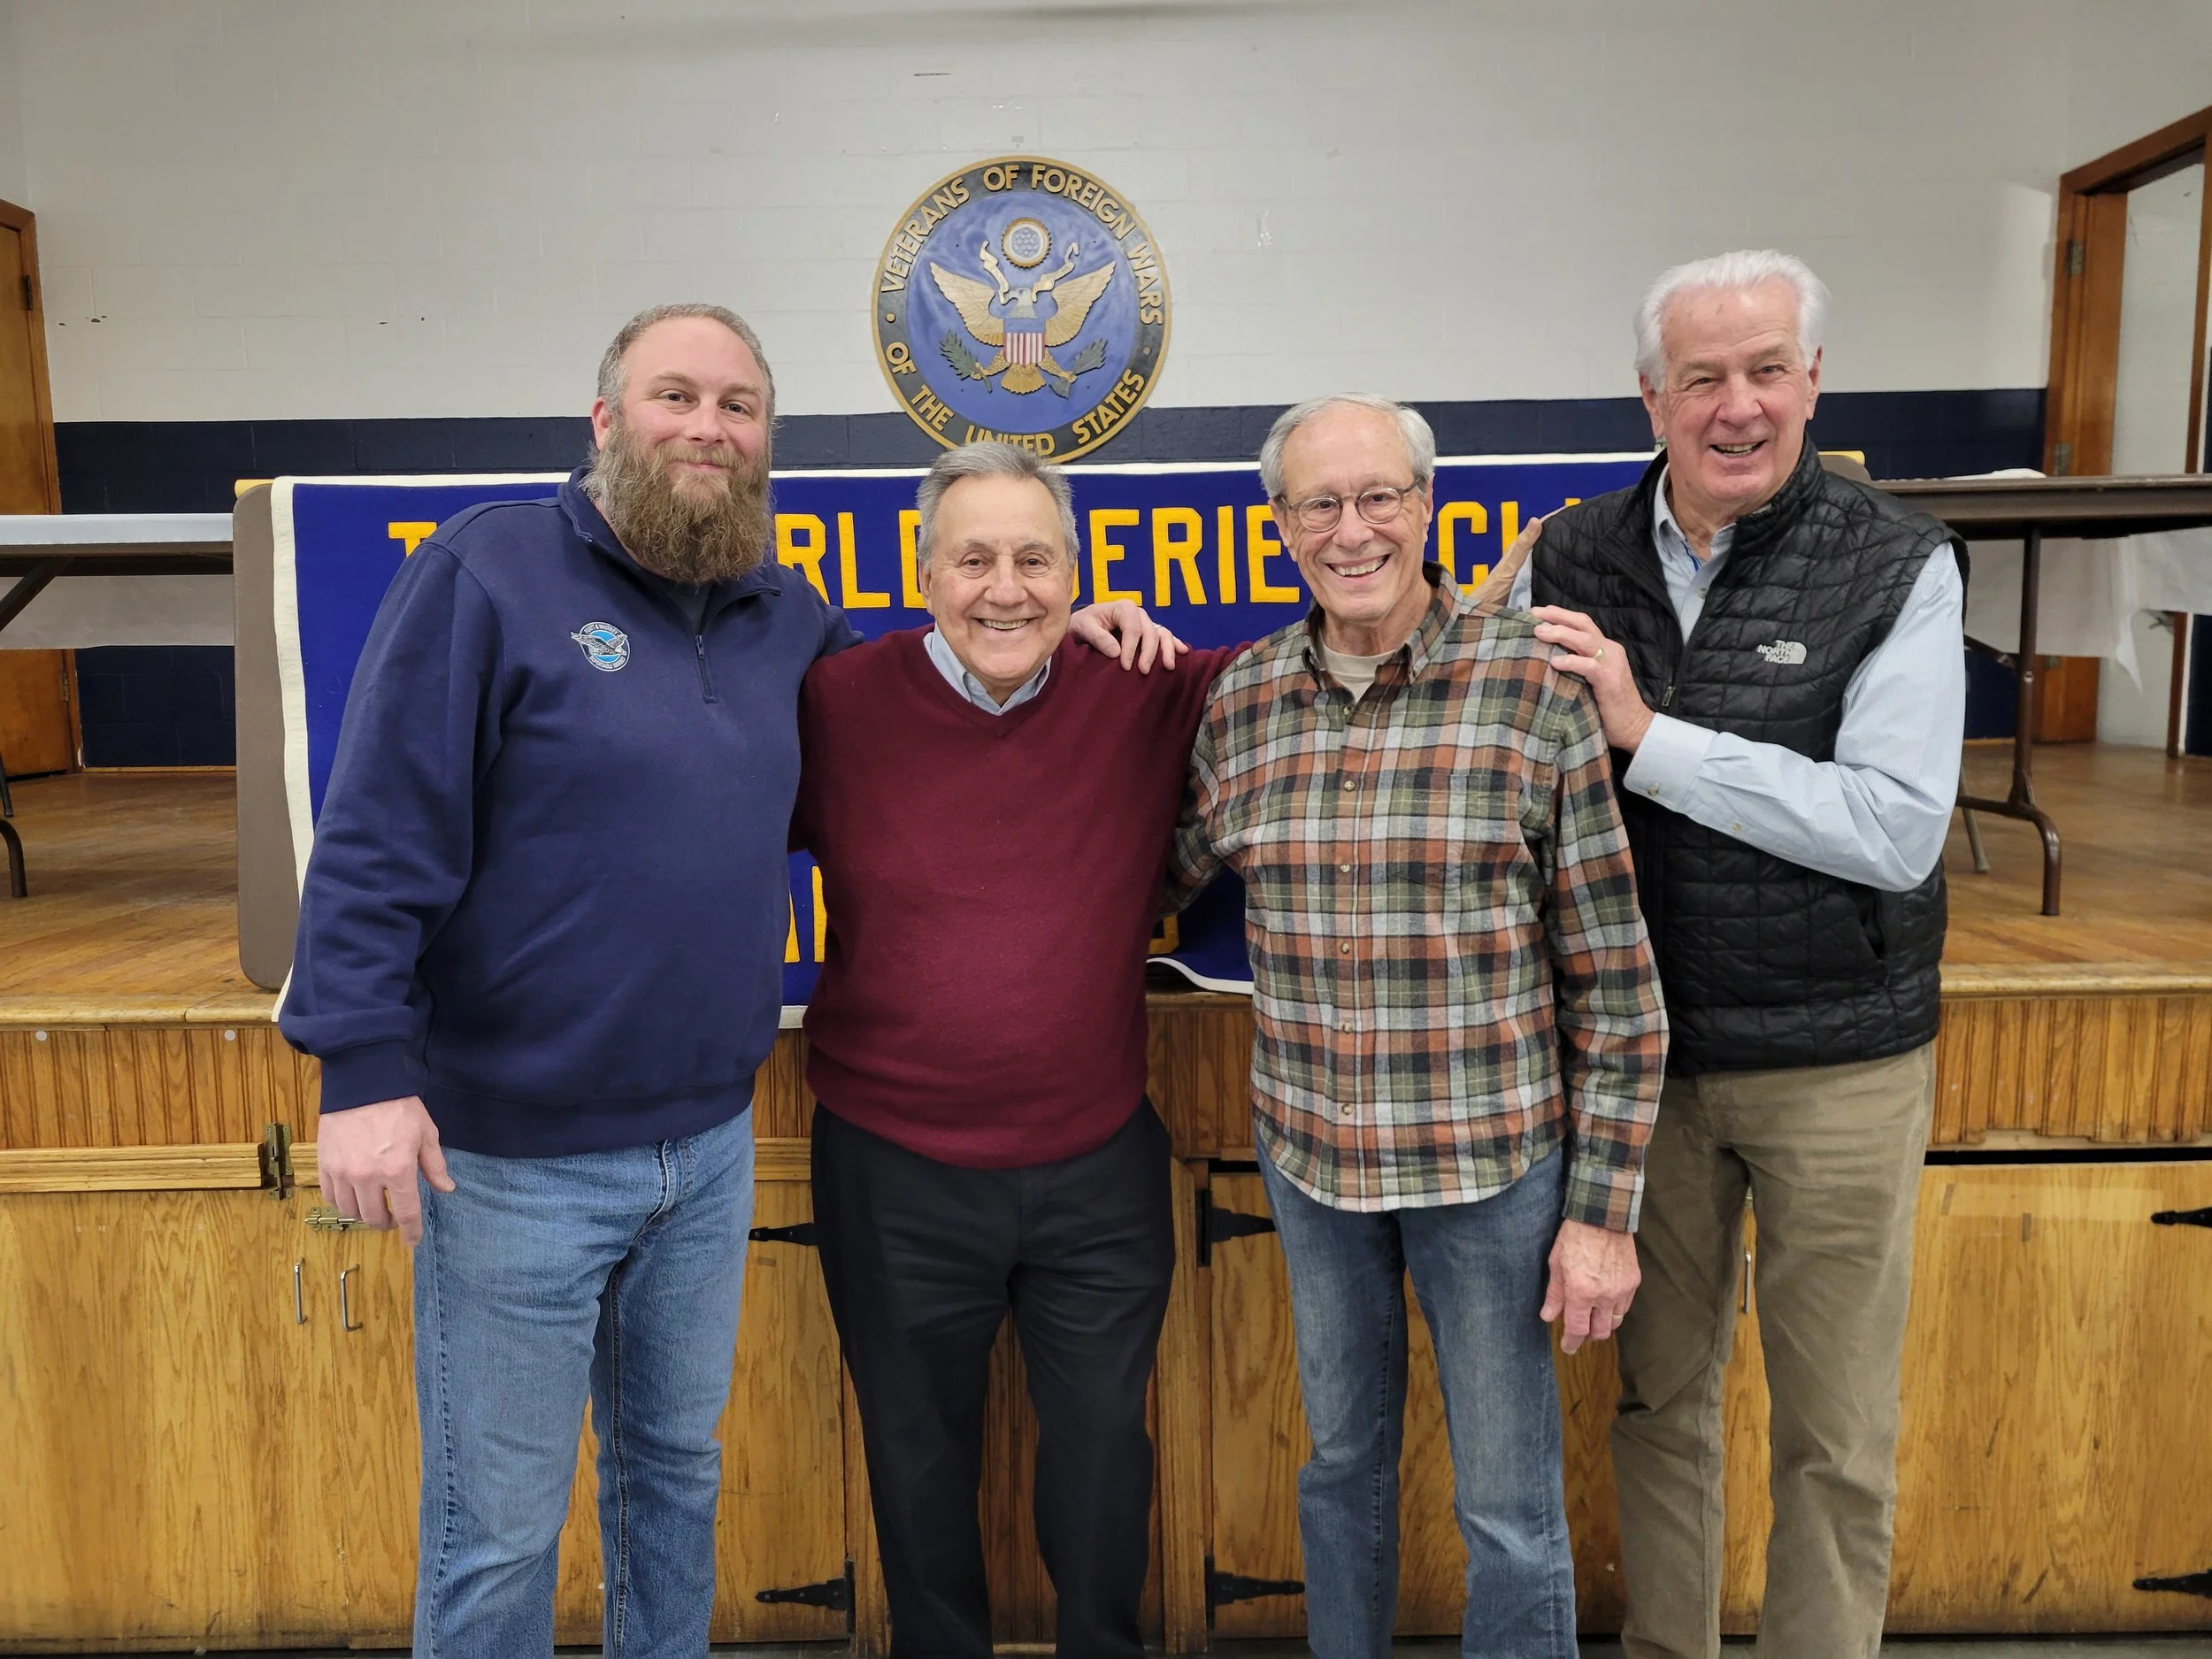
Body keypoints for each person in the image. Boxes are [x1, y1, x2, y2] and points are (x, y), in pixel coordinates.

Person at [279, 307, 1166, 1659]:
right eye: (675, 396)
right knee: (500, 1525)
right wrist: (362, 1068)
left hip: (702, 1148)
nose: (707, 427)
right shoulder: (489, 570)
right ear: (604, 420)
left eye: (738, 406)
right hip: (509, 1156)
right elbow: (378, 827)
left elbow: (926, 709)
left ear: (767, 442)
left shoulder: (784, 618)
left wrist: (1068, 631)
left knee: (672, 1488)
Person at [1517, 250, 1967, 1659]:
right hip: (1646, 1065)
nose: (1738, 405)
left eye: (1768, 368)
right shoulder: (1567, 550)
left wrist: (1651, 736)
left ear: (1814, 380)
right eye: (1702, 376)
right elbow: (1423, 667)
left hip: (1840, 1062)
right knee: (1661, 1405)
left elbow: (1895, 829)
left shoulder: (1899, 562)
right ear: (1649, 397)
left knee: (1835, 1429)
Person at [1171, 394, 1668, 1659]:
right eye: (1320, 503)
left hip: (1490, 1170)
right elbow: (1145, 879)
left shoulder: (1532, 692)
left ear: (1426, 505)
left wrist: (1603, 1213)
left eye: (1379, 495)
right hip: (1314, 1169)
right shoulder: (1241, 705)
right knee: (1340, 1468)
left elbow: (1614, 983)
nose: (1353, 529)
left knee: (1507, 1505)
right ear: (1280, 525)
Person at [791, 441, 1236, 1659]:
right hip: (890, 1163)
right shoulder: (835, 702)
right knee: (915, 1459)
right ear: (922, 573)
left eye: (1036, 560)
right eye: (974, 558)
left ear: (1079, 573)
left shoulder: (1143, 686)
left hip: (1095, 1163)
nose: (1006, 588)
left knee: (1104, 1460)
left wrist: (1498, 585)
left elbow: (1326, 666)